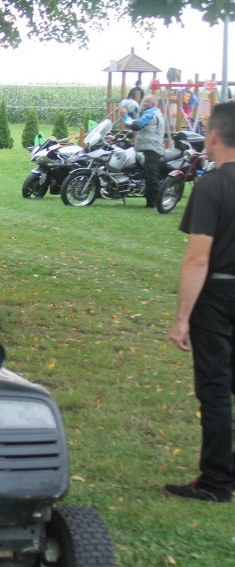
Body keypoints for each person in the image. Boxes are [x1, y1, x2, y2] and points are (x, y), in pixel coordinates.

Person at [165, 102, 235, 504]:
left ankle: (215, 481)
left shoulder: (212, 186)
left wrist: (182, 318)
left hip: (219, 294)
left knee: (215, 387)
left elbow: (197, 259)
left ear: (213, 136)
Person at [120, 94, 165, 208]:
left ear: (153, 104)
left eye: (147, 102)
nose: (144, 104)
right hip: (149, 148)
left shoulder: (151, 113)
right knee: (147, 175)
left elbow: (137, 125)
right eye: (144, 101)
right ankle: (149, 202)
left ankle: (155, 203)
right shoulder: (152, 112)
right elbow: (138, 122)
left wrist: (125, 116)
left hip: (152, 148)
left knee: (151, 177)